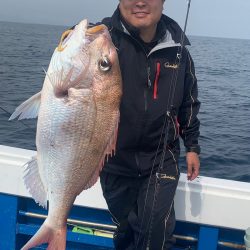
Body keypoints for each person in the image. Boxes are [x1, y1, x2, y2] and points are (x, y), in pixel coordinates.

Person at [99, 0, 201, 249]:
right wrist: (76, 37)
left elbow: (189, 102)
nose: (140, 2)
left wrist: (192, 146)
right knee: (125, 231)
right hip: (113, 160)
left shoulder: (179, 53)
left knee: (155, 231)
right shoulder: (101, 42)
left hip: (161, 159)